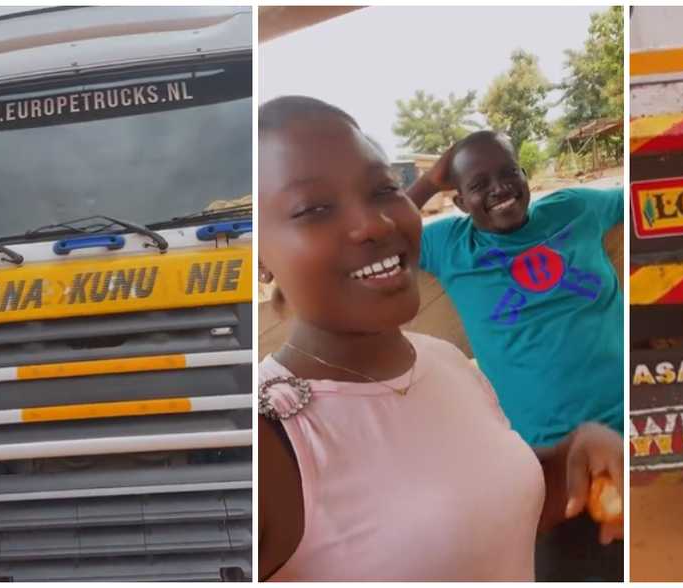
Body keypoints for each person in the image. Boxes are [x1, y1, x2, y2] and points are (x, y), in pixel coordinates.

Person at [257, 96, 623, 581]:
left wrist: (567, 457)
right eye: (314, 209)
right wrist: (432, 177)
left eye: (384, 189)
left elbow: (487, 516)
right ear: (259, 254)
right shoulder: (263, 442)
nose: (376, 223)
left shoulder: (443, 361)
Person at [406, 131, 625, 580]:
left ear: (525, 177)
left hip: (635, 433)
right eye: (479, 183)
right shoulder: (450, 246)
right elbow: (381, 232)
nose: (499, 188)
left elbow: (652, 200)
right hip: (550, 467)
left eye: (509, 173)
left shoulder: (575, 208)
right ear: (461, 203)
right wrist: (430, 180)